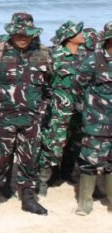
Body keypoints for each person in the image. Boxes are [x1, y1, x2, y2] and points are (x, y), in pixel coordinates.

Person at [0, 12, 51, 215]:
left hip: (31, 119)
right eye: (18, 34)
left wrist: (42, 111)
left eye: (26, 34)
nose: (22, 37)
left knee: (30, 160)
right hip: (2, 118)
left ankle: (28, 199)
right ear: (11, 33)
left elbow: (50, 86)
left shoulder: (43, 54)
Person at [38, 21, 86, 195]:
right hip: (59, 110)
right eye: (78, 32)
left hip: (80, 109)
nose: (82, 35)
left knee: (75, 143)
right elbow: (44, 80)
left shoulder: (85, 55)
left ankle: (66, 173)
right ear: (69, 38)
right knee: (53, 144)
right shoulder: (54, 55)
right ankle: (43, 181)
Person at [73, 21, 112, 215]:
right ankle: (85, 203)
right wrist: (90, 110)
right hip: (96, 122)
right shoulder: (93, 60)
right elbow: (78, 86)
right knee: (89, 161)